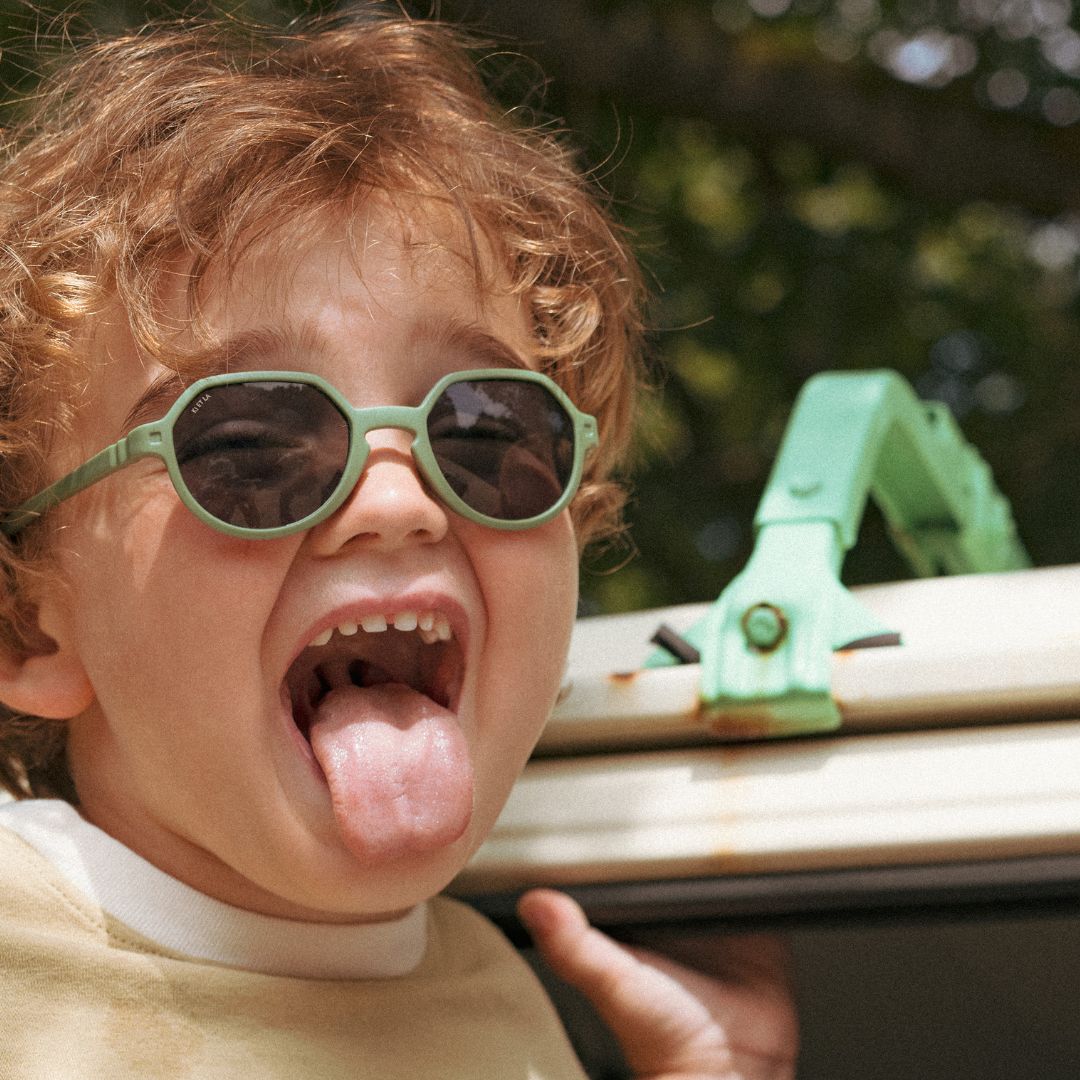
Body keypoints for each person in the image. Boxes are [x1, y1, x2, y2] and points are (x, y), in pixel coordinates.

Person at [0, 7, 797, 1078]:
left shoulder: (505, 1000)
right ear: (27, 627)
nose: (397, 499)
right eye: (247, 442)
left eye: (487, 432)